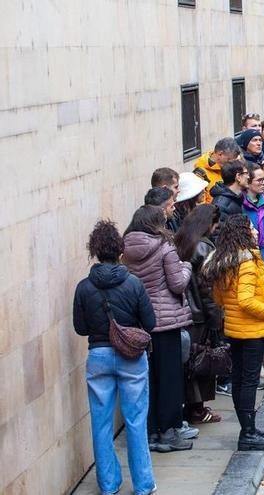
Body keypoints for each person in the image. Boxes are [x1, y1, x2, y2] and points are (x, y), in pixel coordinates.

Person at [73, 220, 156, 495]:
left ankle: (108, 485)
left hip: (98, 355)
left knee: (101, 423)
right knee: (135, 420)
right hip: (131, 357)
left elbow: (80, 328)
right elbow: (150, 322)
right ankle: (143, 485)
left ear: (94, 250)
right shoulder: (133, 284)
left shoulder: (84, 287)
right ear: (120, 249)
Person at [201, 215, 264, 450]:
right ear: (242, 233)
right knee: (248, 382)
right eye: (251, 228)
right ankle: (248, 433)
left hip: (235, 331)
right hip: (252, 331)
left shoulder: (225, 262)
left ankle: (247, 429)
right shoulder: (247, 262)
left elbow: (219, 298)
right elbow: (246, 301)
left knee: (239, 381)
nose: (256, 232)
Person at [123, 205, 195, 452]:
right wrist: (187, 267)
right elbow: (176, 285)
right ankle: (168, 432)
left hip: (140, 321)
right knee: (170, 379)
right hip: (165, 320)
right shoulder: (165, 248)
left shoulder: (127, 250)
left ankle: (151, 432)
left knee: (149, 379)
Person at [174, 205, 224, 425]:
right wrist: (216, 319)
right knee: (200, 362)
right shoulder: (204, 247)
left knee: (188, 362)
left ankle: (191, 407)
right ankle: (197, 410)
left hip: (183, 311)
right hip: (199, 315)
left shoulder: (181, 240)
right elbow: (208, 288)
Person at [194, 137, 241, 203]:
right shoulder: (200, 173)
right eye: (229, 159)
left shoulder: (229, 167)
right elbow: (201, 203)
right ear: (220, 154)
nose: (231, 164)